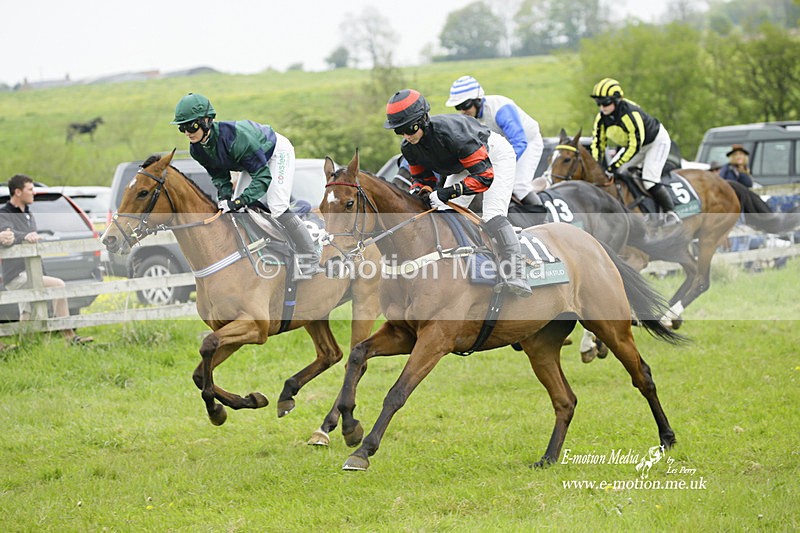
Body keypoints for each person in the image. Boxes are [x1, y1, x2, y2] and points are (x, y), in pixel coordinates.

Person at [384, 88, 531, 297]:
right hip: (462, 165)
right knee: (443, 212)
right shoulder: (409, 147)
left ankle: (517, 273)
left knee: (492, 215)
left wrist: (445, 193)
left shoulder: (452, 134)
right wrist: (419, 191)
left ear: (423, 119)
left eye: (410, 128)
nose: (407, 135)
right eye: (400, 131)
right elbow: (422, 179)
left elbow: (485, 177)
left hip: (493, 157)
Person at [171, 92, 321, 279]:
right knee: (238, 210)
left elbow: (263, 177)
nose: (187, 132)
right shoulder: (197, 150)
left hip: (276, 152)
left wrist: (239, 200)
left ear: (206, 121)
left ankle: (311, 257)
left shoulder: (235, 138)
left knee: (277, 206)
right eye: (181, 128)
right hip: (252, 162)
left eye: (191, 126)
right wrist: (225, 198)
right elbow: (219, 176)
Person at [0, 174, 92, 344]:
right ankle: (70, 337)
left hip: (32, 272)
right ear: (18, 192)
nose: (33, 192)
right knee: (58, 285)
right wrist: (24, 236)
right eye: (30, 189)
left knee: (26, 312)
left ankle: (23, 345)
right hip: (16, 275)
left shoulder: (28, 214)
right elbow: (7, 234)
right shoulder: (4, 213)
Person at [445, 75, 546, 212]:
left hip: (527, 143)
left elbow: (519, 142)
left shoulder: (501, 109)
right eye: (458, 107)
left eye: (465, 105)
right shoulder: (470, 117)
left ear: (478, 100)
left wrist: (499, 167)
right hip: (502, 146)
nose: (463, 111)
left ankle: (543, 218)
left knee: (519, 185)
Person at [589, 78, 680, 225]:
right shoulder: (601, 119)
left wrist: (613, 166)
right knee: (618, 174)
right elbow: (598, 143)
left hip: (655, 142)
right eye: (598, 103)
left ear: (616, 100)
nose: (601, 107)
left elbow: (634, 145)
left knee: (650, 178)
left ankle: (671, 212)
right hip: (635, 145)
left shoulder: (630, 115)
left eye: (605, 103)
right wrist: (597, 166)